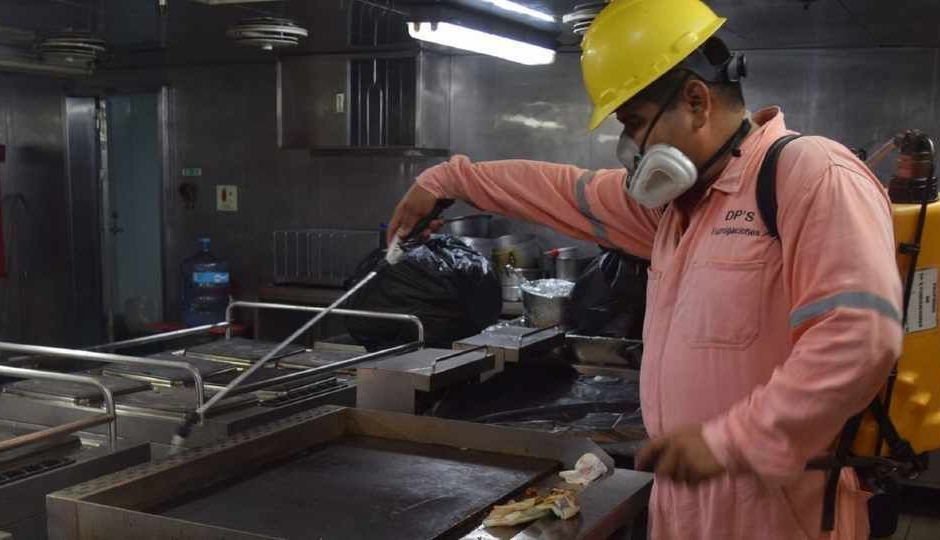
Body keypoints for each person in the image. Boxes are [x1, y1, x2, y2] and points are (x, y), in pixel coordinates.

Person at [385, 0, 903, 538]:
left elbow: (859, 336)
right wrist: (449, 180)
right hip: (683, 499)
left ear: (697, 101)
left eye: (634, 123)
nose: (629, 149)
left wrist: (733, 440)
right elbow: (564, 191)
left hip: (774, 505)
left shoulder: (809, 175)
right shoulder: (676, 209)